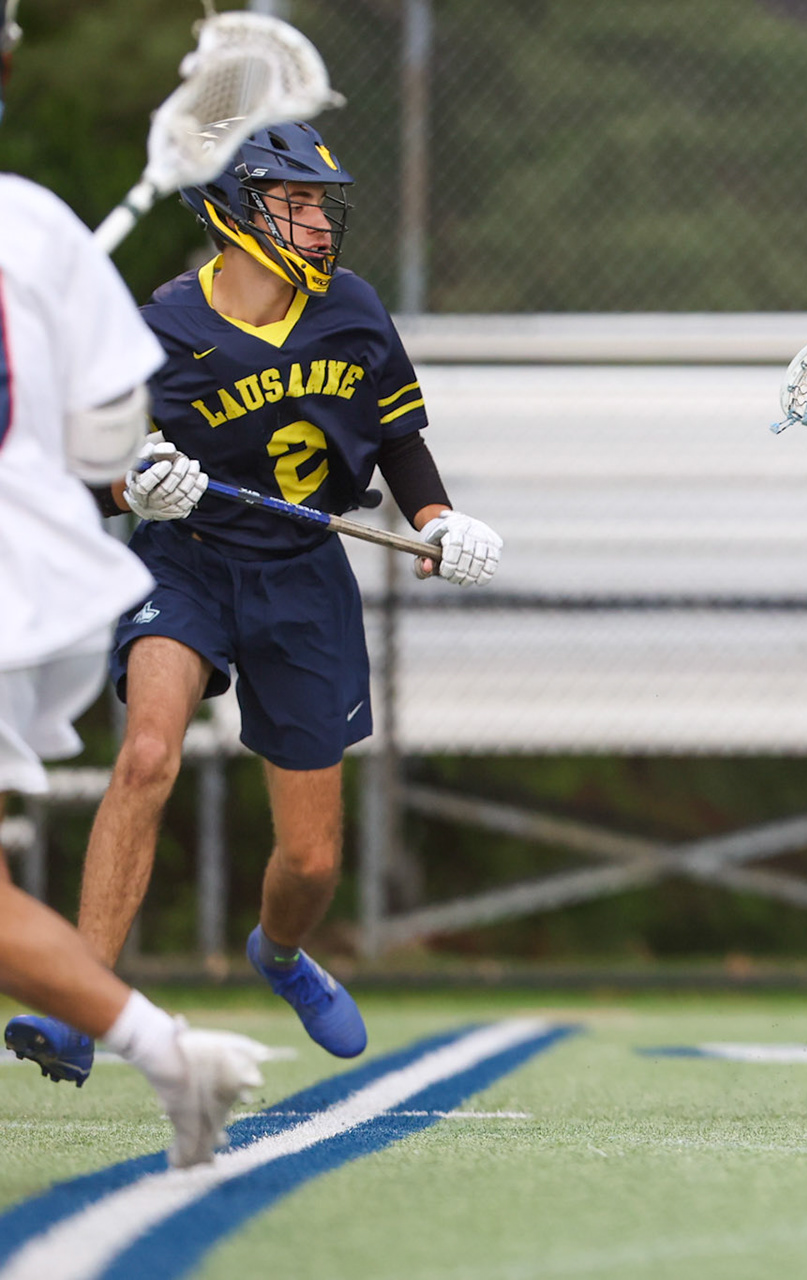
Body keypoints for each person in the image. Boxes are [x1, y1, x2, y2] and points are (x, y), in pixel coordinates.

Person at [6, 119, 503, 1085]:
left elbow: (398, 441)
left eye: (324, 205)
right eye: (299, 202)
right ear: (234, 210)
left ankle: (277, 954)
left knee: (312, 862)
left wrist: (440, 520)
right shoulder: (157, 331)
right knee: (148, 753)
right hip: (184, 561)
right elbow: (90, 463)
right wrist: (131, 491)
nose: (321, 223)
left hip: (304, 572)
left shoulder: (353, 311)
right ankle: (80, 1001)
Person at [0, 0, 268, 1166]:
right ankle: (172, 1053)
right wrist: (123, 475)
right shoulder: (34, 225)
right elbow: (108, 434)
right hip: (32, 579)